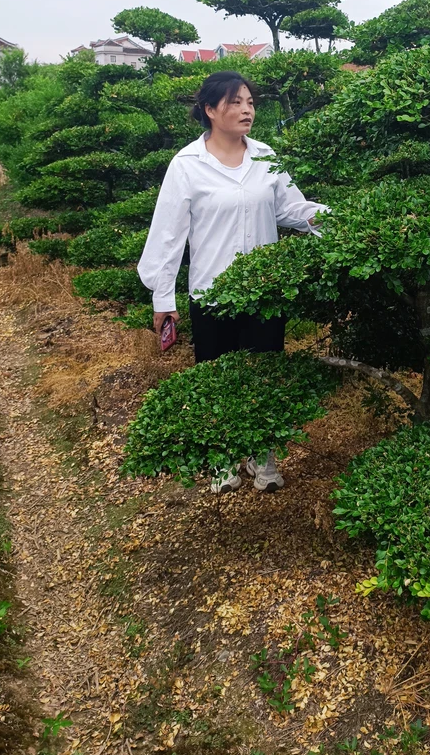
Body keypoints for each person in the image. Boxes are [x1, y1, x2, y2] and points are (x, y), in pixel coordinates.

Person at [137, 70, 326, 494]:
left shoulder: (265, 156)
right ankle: (222, 459)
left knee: (264, 375)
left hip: (264, 290)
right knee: (215, 378)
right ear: (209, 110)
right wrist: (162, 297)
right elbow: (168, 236)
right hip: (213, 294)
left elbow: (292, 209)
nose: (247, 110)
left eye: (250, 102)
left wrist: (338, 223)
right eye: (235, 103)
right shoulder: (187, 165)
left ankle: (263, 457)